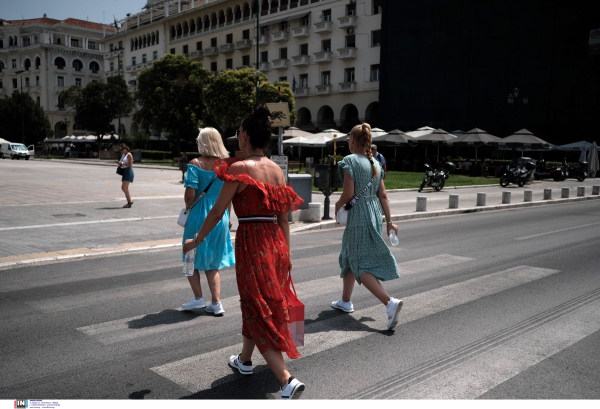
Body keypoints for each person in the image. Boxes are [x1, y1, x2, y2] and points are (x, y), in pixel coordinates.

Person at [183, 104, 306, 400]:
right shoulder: (277, 171)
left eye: (238, 132)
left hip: (253, 244)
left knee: (256, 305)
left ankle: (285, 379)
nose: (236, 136)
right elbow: (283, 219)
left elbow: (216, 213)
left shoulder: (239, 169)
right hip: (276, 244)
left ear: (247, 136)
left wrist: (195, 240)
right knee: (258, 301)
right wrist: (286, 254)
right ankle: (245, 360)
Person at [334, 124, 403, 331]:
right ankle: (345, 301)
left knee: (360, 263)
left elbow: (348, 194)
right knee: (350, 253)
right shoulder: (375, 163)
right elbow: (383, 195)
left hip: (358, 214)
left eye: (348, 140)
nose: (348, 142)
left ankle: (389, 302)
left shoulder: (350, 161)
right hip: (373, 213)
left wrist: (336, 207)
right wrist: (390, 222)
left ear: (353, 141)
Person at [181, 128, 235, 315]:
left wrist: (189, 206)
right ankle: (216, 303)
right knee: (213, 261)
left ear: (202, 142)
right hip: (220, 216)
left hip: (199, 215)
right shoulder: (226, 165)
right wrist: (228, 217)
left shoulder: (195, 164)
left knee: (190, 254)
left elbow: (190, 197)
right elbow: (228, 197)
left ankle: (197, 298)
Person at [116, 144, 134, 208]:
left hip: (128, 171)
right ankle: (129, 201)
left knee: (124, 188)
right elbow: (123, 164)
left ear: (125, 149)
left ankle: (130, 201)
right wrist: (119, 163)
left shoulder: (129, 155)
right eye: (120, 150)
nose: (121, 151)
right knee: (124, 188)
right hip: (124, 171)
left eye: (121, 149)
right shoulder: (123, 155)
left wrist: (122, 163)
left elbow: (130, 164)